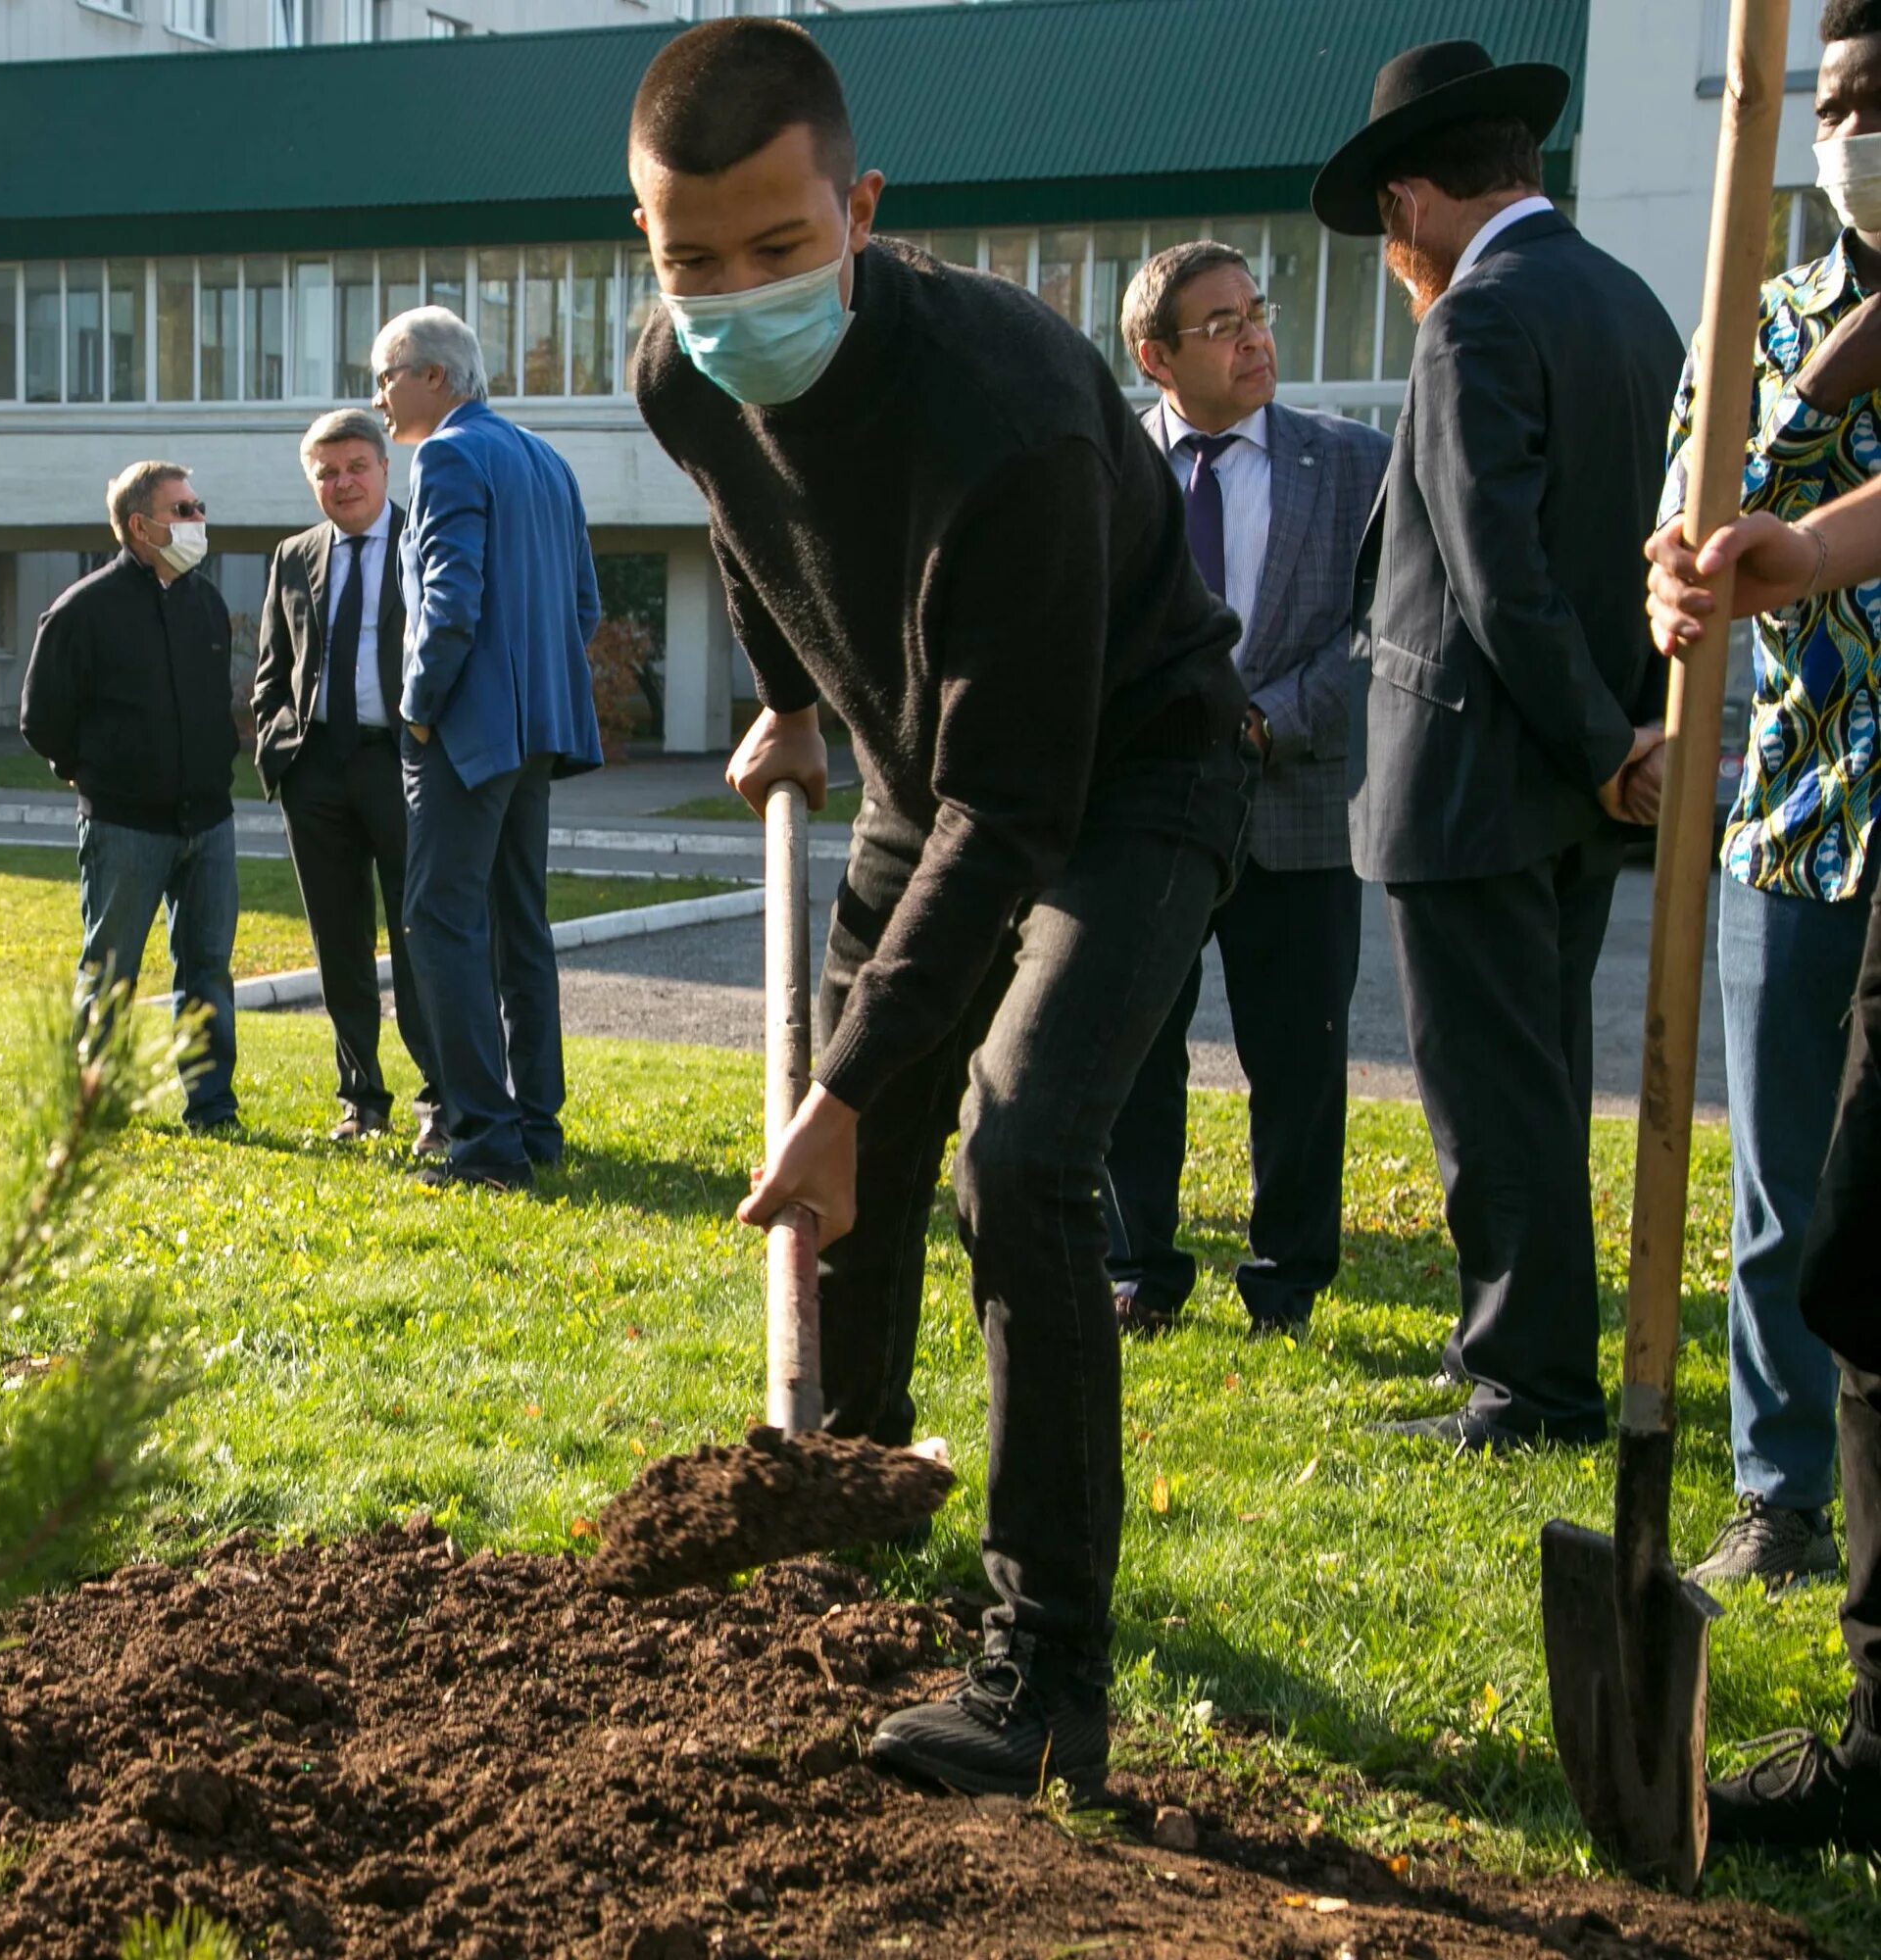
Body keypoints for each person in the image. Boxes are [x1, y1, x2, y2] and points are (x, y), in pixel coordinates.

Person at [628, 21, 1250, 1798]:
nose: (734, 294)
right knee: (869, 1157)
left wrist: (834, 1092)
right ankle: (855, 1491)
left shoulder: (1017, 418)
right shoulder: (682, 371)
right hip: (921, 772)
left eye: (776, 247)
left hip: (1130, 778)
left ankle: (1047, 1659)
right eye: (690, 260)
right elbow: (755, 533)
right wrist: (791, 696)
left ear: (863, 208)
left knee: (1019, 1150)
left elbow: (1018, 812)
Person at [1312, 40, 1685, 1452]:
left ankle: (1530, 1387)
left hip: (1477, 776)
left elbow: (1495, 573)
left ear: (1411, 207)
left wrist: (1602, 743)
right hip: (1581, 777)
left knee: (1494, 1099)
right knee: (1536, 1085)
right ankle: (1530, 1361)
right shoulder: (1635, 307)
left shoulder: (1473, 321)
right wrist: (1626, 741)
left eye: (1386, 228)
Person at [1643, 3, 1881, 1591]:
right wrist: (1675, 578)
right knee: (1785, 1184)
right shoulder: (1766, 315)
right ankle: (1778, 1494)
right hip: (1799, 814)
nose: (1867, 132)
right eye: (1849, 101)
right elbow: (1702, 518)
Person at [1642, 458, 1881, 1852]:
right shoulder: (1803, 320)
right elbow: (1702, 531)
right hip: (1822, 813)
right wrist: (1784, 551)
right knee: (1853, 1262)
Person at [1102, 241, 1390, 1342]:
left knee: (1302, 1060)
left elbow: (1381, 629)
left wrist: (1273, 718)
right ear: (1155, 356)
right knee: (1132, 1048)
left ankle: (1287, 1282)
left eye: (1255, 313)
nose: (1254, 336)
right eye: (1219, 324)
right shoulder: (1105, 469)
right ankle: (1139, 1266)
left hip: (1301, 808)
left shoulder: (1355, 463)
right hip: (1147, 814)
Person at [376, 305, 603, 1193]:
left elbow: (450, 602)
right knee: (520, 927)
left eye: (386, 375)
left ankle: (484, 1141)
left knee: (438, 921)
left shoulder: (448, 453)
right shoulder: (547, 459)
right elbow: (583, 607)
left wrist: (419, 708)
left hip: (466, 736)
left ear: (435, 376)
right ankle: (536, 1127)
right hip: (537, 732)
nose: (379, 396)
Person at [20, 461, 242, 1137]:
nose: (198, 519)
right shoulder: (82, 609)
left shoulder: (205, 603)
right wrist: (85, 772)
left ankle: (212, 1108)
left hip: (208, 821)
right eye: (183, 509)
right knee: (109, 973)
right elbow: (41, 717)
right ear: (140, 526)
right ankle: (93, 1106)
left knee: (207, 971)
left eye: (198, 505)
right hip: (124, 827)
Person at [253, 410, 446, 1152]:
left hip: (401, 761)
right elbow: (273, 667)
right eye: (327, 472)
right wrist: (280, 750)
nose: (343, 483)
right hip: (316, 767)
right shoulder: (293, 554)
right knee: (339, 944)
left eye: (356, 466)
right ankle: (361, 1099)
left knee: (417, 936)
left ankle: (441, 1102)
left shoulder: (420, 540)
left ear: (384, 469)